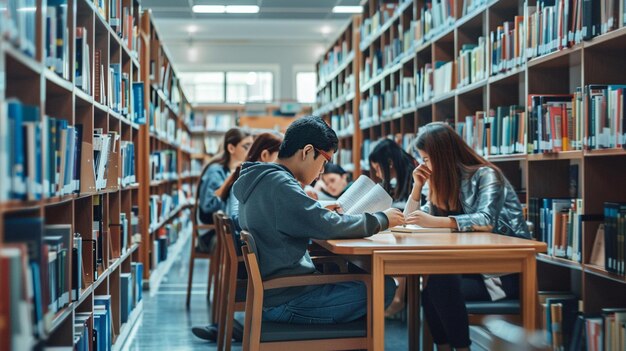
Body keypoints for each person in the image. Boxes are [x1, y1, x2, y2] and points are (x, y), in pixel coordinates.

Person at [232, 115, 404, 324]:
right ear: (307, 151)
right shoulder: (280, 185)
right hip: (290, 299)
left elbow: (298, 217)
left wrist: (318, 209)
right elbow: (328, 225)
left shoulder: (262, 178)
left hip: (276, 294)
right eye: (324, 161)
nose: (321, 171)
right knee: (383, 286)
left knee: (358, 277)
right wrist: (381, 219)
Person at [404, 122, 531, 351]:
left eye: (426, 159)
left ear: (442, 156)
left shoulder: (487, 175)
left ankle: (462, 349)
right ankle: (445, 347)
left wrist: (436, 221)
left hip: (501, 273)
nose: (425, 165)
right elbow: (410, 222)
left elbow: (486, 220)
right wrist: (417, 187)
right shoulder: (443, 182)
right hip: (467, 268)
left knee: (439, 283)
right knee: (431, 284)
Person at [192, 132, 283, 343]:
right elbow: (217, 208)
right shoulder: (240, 176)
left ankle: (234, 324)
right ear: (266, 154)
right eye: (245, 145)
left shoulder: (245, 174)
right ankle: (248, 325)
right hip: (224, 237)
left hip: (239, 240)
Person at [368, 138, 419, 317]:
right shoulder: (401, 178)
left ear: (389, 163)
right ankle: (393, 297)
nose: (378, 174)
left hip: (418, 230)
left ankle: (397, 298)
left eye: (378, 168)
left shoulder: (416, 174)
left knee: (399, 244)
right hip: (405, 227)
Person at [196, 128, 253, 252]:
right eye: (246, 147)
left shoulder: (235, 170)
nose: (250, 152)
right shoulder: (215, 171)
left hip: (224, 229)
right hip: (210, 233)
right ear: (231, 148)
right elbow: (207, 206)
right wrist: (228, 182)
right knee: (248, 246)